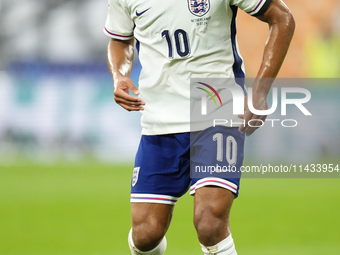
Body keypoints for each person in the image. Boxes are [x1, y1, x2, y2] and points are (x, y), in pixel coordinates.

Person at [104, 0, 294, 254]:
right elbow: (120, 38)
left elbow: (282, 18)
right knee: (146, 234)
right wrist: (120, 75)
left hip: (217, 108)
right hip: (159, 118)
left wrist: (260, 91)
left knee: (209, 222)